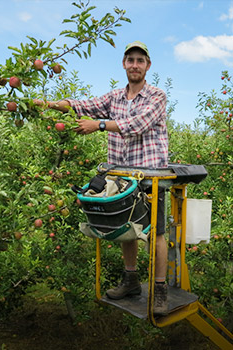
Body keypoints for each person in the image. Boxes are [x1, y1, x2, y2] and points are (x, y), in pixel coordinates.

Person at [46, 41, 168, 315]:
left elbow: (137, 125)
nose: (135, 65)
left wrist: (98, 125)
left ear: (147, 65)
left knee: (156, 232)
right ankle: (131, 280)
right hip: (122, 177)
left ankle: (160, 288)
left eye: (140, 60)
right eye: (130, 60)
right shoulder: (114, 98)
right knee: (126, 227)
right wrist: (49, 104)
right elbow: (81, 105)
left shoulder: (156, 96)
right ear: (124, 64)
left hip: (150, 176)